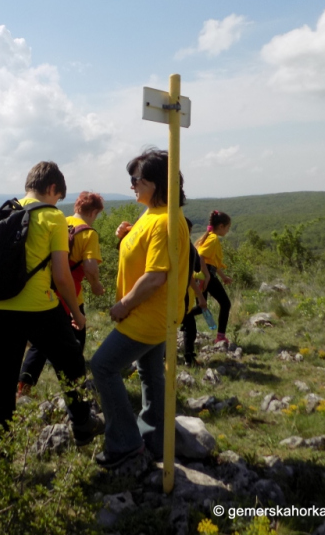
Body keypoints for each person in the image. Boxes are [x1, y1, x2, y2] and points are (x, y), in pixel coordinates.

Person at [0, 162, 102, 443]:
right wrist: (76, 314)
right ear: (52, 188)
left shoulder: (6, 210)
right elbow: (61, 275)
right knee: (71, 361)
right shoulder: (53, 217)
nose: (58, 202)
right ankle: (82, 424)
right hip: (37, 308)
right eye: (58, 196)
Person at [89, 148, 189, 468]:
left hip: (147, 314)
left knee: (103, 366)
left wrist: (123, 305)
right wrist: (126, 237)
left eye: (136, 179)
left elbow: (155, 276)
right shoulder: (154, 215)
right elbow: (145, 255)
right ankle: (155, 438)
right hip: (157, 315)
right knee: (149, 373)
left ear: (156, 182)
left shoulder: (164, 221)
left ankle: (125, 444)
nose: (131, 185)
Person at [17, 190, 106, 396]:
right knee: (75, 343)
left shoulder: (61, 222)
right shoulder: (88, 233)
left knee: (42, 342)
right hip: (72, 295)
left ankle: (24, 384)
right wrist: (95, 285)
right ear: (93, 212)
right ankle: (76, 390)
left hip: (47, 291)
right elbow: (91, 267)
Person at [195, 211, 232, 344]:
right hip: (206, 276)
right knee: (225, 303)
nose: (228, 231)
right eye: (227, 228)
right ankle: (220, 336)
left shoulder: (207, 237)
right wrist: (208, 275)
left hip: (204, 275)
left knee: (200, 307)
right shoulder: (213, 238)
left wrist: (223, 277)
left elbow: (212, 262)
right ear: (221, 226)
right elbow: (200, 256)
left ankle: (177, 319)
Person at [180, 218, 209, 366]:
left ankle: (167, 355)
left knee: (186, 326)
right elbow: (190, 275)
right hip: (182, 298)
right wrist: (200, 296)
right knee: (190, 328)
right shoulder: (188, 248)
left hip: (166, 297)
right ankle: (188, 357)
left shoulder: (169, 244)